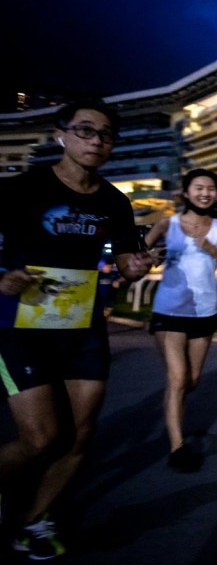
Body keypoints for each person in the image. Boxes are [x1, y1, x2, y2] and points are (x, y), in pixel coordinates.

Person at [0, 100, 153, 559]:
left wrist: (137, 265)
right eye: (85, 130)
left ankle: (33, 521)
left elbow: (126, 262)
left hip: (82, 327)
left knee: (79, 435)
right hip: (21, 324)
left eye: (105, 135)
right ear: (60, 134)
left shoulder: (114, 201)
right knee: (42, 438)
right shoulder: (21, 189)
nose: (95, 141)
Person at [144, 169, 217, 472]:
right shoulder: (167, 223)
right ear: (186, 192)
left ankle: (173, 413)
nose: (205, 193)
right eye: (199, 188)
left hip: (204, 312)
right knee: (177, 378)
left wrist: (211, 248)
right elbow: (137, 255)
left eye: (211, 189)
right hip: (169, 311)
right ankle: (177, 447)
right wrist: (151, 257)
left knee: (191, 381)